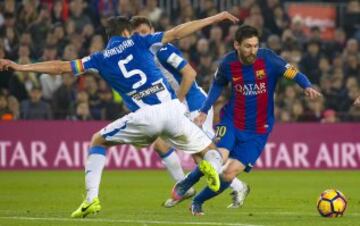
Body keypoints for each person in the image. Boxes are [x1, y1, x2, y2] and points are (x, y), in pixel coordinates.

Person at [0, 12, 239, 218]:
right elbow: (177, 32)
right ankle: (208, 167)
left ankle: (91, 199)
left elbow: (60, 67)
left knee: (98, 140)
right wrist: (216, 18)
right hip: (176, 110)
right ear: (127, 32)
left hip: (147, 116)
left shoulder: (99, 58)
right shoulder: (140, 41)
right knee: (210, 152)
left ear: (110, 37)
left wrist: (21, 66)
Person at [171, 25, 322, 216]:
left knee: (228, 173)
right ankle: (188, 181)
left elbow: (293, 73)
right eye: (248, 46)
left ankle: (197, 201)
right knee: (218, 158)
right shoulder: (227, 63)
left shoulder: (269, 59)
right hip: (232, 120)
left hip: (259, 129)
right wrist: (204, 110)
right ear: (236, 45)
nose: (253, 50)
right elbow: (217, 85)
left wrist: (306, 86)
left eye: (255, 45)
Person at [131, 16, 250, 209]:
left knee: (206, 153)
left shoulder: (162, 49)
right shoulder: (141, 57)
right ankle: (186, 188)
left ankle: (238, 185)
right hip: (180, 107)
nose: (142, 37)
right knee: (165, 146)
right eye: (137, 34)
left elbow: (190, 74)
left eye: (145, 32)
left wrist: (178, 101)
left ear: (152, 30)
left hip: (194, 104)